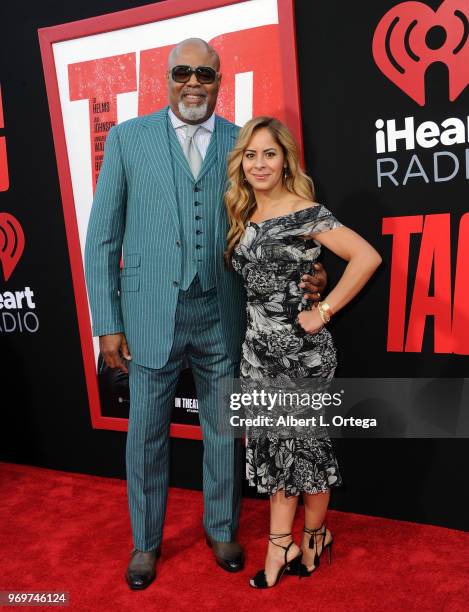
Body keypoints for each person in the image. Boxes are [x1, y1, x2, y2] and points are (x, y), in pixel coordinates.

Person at [84, 39, 326, 590]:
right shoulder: (127, 139)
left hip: (222, 309)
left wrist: (312, 272)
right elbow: (102, 239)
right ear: (166, 78)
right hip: (149, 315)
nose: (193, 83)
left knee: (223, 430)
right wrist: (109, 323)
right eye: (182, 73)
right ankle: (145, 543)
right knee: (145, 434)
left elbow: (276, 217)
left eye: (205, 74)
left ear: (220, 79)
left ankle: (221, 529)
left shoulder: (242, 143)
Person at [225, 116, 382, 588]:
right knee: (276, 454)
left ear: (285, 158)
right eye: (250, 155)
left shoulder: (305, 211)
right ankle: (300, 542)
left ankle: (299, 542)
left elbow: (366, 256)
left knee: (304, 452)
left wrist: (325, 308)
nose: (259, 163)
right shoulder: (241, 212)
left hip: (301, 355)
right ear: (241, 163)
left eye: (269, 153)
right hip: (256, 354)